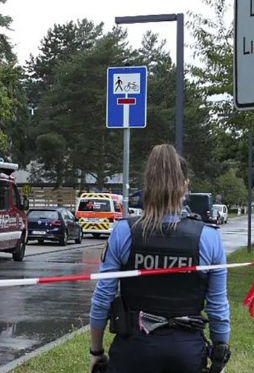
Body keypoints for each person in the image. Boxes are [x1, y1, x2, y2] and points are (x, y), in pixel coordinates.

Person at [88, 144, 231, 373]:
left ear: (147, 186)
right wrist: (220, 354)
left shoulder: (124, 232)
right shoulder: (209, 237)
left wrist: (96, 351)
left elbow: (102, 297)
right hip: (186, 354)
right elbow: (217, 308)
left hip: (132, 352)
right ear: (185, 187)